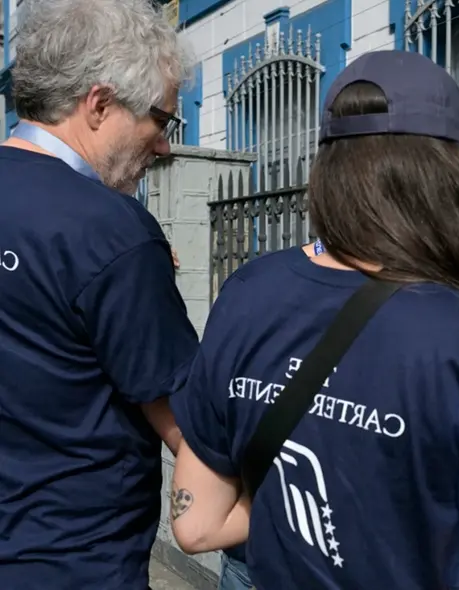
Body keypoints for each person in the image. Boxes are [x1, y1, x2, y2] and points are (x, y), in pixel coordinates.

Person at [169, 51, 459, 589]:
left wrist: (282, 505)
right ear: (450, 176)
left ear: (327, 170)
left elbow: (194, 526)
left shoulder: (250, 290)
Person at [0, 1, 197, 588]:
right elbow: (189, 424)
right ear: (100, 103)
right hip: (74, 561)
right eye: (161, 120)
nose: (163, 146)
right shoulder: (112, 231)